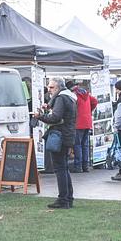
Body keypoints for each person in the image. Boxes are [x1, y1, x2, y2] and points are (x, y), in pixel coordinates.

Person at [35, 78, 77, 209]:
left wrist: (40, 116)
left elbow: (55, 117)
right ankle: (68, 198)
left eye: (51, 87)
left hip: (60, 136)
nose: (49, 89)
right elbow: (61, 115)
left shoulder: (61, 98)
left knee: (60, 169)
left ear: (58, 88)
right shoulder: (69, 97)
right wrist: (49, 108)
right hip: (67, 135)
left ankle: (63, 199)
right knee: (63, 168)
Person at [71, 81, 97, 173]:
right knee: (85, 145)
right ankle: (85, 166)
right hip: (87, 122)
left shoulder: (74, 95)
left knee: (77, 145)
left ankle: (78, 166)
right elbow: (95, 101)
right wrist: (89, 111)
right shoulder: (86, 94)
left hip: (78, 123)